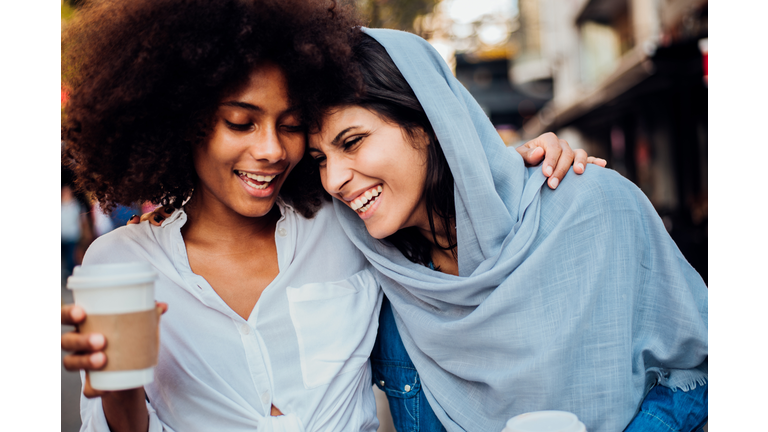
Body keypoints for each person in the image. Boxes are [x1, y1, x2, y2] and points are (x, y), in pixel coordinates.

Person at [60, 2, 594, 431]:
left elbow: (442, 202)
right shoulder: (122, 261)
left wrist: (521, 163)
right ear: (182, 121)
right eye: (241, 123)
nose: (271, 150)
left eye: (290, 125)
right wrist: (118, 386)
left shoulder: (345, 223)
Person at [305, 29, 708, 432]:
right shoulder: (383, 284)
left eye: (353, 141)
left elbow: (703, 369)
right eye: (319, 158)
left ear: (430, 121)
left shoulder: (592, 209)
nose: (333, 179)